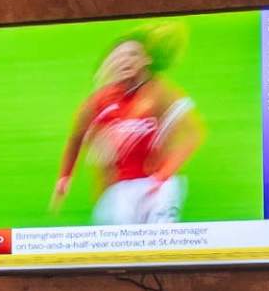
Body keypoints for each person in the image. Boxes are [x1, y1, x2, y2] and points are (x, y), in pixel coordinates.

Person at [51, 22, 202, 223]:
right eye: (120, 56)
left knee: (161, 243)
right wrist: (64, 177)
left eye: (133, 55)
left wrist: (163, 176)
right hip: (120, 190)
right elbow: (77, 138)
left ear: (145, 61)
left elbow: (192, 134)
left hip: (157, 186)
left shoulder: (159, 93)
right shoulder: (98, 102)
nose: (125, 60)